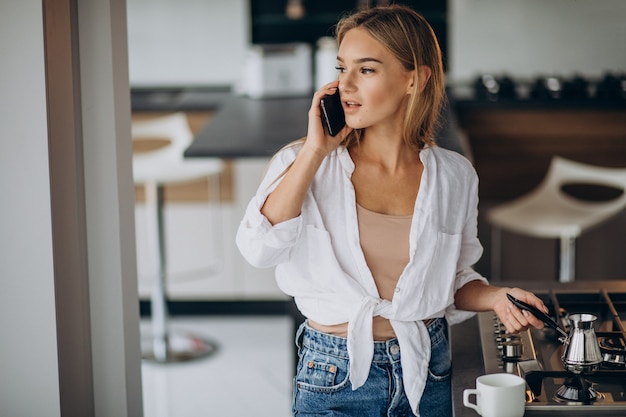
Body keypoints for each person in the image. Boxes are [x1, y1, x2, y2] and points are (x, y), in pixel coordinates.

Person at [236, 4, 548, 417]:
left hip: (429, 371)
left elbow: (451, 280)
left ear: (415, 79)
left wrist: (495, 297)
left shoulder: (455, 176)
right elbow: (258, 249)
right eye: (341, 67)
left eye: (365, 70)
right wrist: (315, 150)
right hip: (335, 375)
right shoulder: (306, 163)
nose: (344, 84)